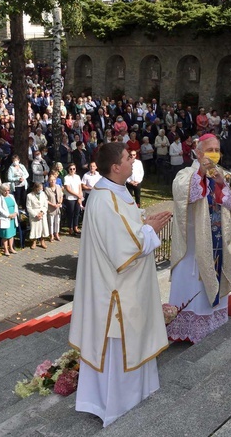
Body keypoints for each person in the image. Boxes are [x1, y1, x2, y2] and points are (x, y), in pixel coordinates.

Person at [69, 142, 173, 427]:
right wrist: (150, 229)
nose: (132, 159)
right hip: (115, 292)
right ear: (116, 167)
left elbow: (126, 228)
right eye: (128, 158)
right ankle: (115, 405)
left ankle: (135, 395)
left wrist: (144, 221)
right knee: (117, 350)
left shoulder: (117, 191)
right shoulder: (104, 199)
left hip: (126, 288)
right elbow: (123, 250)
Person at [168, 134, 231, 343]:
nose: (214, 154)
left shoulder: (223, 174)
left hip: (218, 243)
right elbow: (184, 193)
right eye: (210, 149)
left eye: (217, 150)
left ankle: (212, 323)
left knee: (214, 276)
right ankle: (189, 329)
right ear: (198, 153)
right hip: (193, 247)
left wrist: (222, 185)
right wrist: (202, 173)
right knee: (194, 283)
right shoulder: (186, 173)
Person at [0, 183, 19, 256]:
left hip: (13, 218)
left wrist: (15, 213)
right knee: (5, 235)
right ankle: (6, 249)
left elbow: (15, 205)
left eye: (8, 190)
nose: (7, 192)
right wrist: (8, 215)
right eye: (5, 190)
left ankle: (11, 248)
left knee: (11, 234)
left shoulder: (11, 196)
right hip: (5, 218)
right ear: (1, 190)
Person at [26, 182, 49, 249]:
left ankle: (42, 241)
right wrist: (36, 214)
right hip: (34, 215)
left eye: (42, 188)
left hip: (42, 214)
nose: (41, 189)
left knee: (43, 228)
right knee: (34, 228)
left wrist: (42, 212)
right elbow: (28, 207)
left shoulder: (43, 194)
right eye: (40, 188)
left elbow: (45, 204)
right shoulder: (29, 195)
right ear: (36, 188)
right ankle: (34, 242)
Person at [63, 163, 84, 235]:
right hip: (70, 198)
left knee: (77, 213)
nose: (72, 170)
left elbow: (80, 187)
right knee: (71, 213)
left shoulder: (78, 177)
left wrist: (80, 196)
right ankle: (70, 227)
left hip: (78, 197)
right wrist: (77, 195)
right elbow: (68, 189)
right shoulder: (66, 177)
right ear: (68, 170)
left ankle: (76, 226)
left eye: (74, 169)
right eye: (71, 169)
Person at [44, 174, 63, 242]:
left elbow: (61, 196)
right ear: (49, 181)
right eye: (51, 180)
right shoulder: (47, 189)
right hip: (51, 208)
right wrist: (52, 204)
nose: (52, 181)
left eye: (54, 180)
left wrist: (60, 203)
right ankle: (51, 235)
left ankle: (57, 234)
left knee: (57, 222)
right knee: (51, 223)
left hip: (57, 207)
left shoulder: (58, 186)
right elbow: (45, 199)